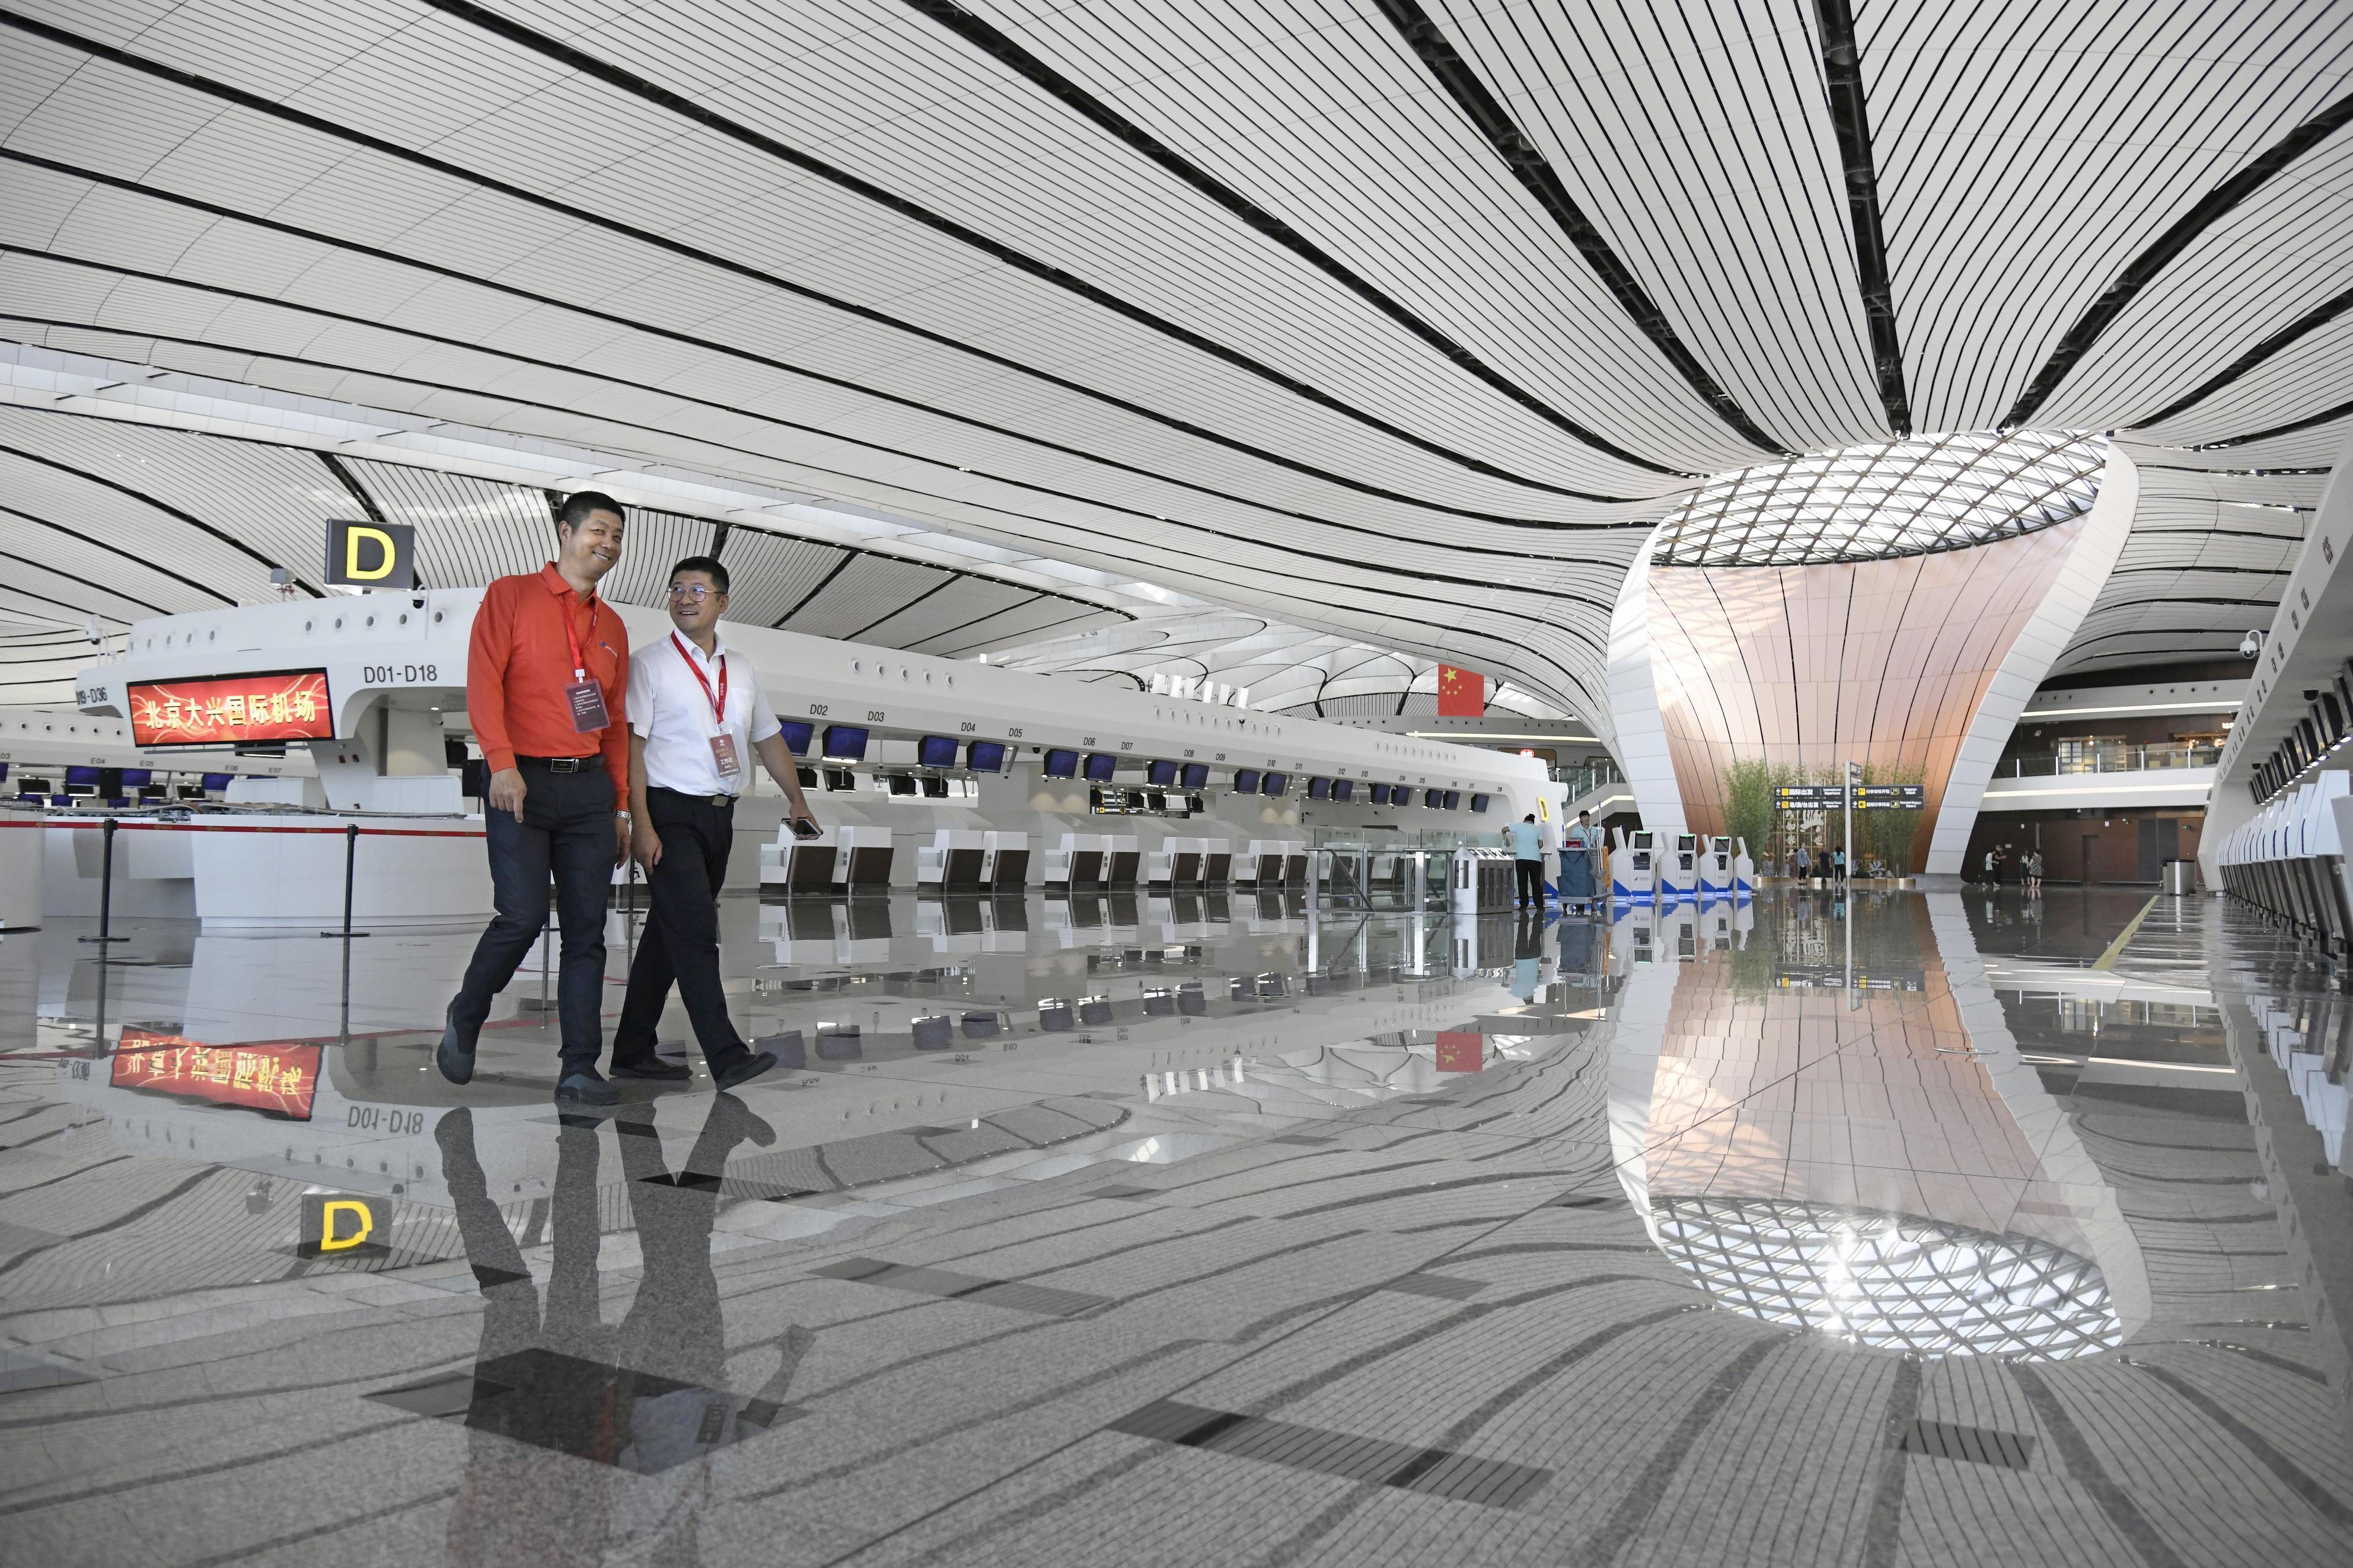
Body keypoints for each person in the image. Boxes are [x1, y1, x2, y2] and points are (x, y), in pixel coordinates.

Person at [440, 492, 633, 1105]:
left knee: (587, 932)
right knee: (520, 916)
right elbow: (484, 679)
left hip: (588, 790)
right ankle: (467, 1012)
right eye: (598, 530)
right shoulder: (511, 594)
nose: (607, 543)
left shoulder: (612, 626)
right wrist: (499, 761)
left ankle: (579, 1067)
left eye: (617, 535)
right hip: (519, 779)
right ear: (565, 531)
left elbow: (616, 720)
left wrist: (621, 803)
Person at [610, 555, 821, 1090]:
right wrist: (642, 823)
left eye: (698, 590)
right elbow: (631, 747)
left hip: (720, 818)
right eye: (677, 589)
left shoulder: (741, 668)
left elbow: (767, 736)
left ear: (722, 602)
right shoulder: (649, 664)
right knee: (697, 932)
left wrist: (796, 797)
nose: (685, 598)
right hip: (668, 812)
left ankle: (632, 1049)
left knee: (667, 933)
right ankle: (726, 1054)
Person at [1505, 812, 1547, 908]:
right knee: (1536, 882)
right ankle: (1539, 905)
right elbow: (1540, 845)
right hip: (1535, 860)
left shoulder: (1518, 826)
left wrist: (1505, 839)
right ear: (1533, 822)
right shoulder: (1538, 829)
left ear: (1525, 821)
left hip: (1521, 858)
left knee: (1522, 882)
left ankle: (1524, 904)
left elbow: (1504, 829)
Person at [1560, 809, 1598, 913]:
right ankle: (1579, 902)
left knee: (1592, 877)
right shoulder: (1576, 830)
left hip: (1593, 856)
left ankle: (1593, 898)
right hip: (1581, 858)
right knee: (1581, 877)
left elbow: (1598, 842)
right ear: (1580, 819)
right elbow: (1573, 844)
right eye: (1584, 816)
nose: (1587, 818)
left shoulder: (1595, 830)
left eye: (1588, 816)